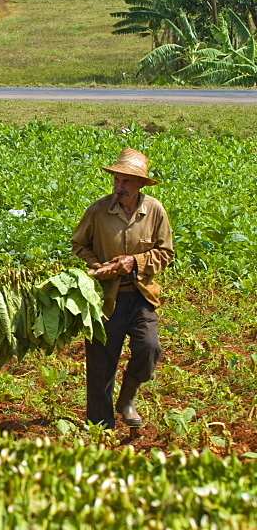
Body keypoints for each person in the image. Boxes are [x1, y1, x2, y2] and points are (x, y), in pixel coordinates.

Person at [71, 147, 174, 429]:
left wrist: (135, 261)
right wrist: (98, 267)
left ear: (140, 183)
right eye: (116, 180)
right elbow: (79, 245)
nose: (119, 186)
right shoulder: (99, 210)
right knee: (101, 364)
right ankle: (100, 426)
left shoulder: (154, 210)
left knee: (149, 348)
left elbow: (165, 253)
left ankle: (127, 399)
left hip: (141, 296)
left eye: (125, 181)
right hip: (106, 299)